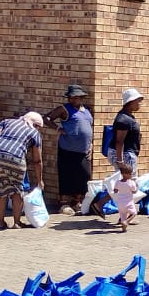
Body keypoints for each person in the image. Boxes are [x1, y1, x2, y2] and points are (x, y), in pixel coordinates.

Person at [0, 111, 44, 230]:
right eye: (38, 126)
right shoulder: (34, 133)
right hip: (15, 159)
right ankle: (16, 223)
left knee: (0, 190)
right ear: (35, 124)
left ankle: (0, 223)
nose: (38, 129)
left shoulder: (7, 122)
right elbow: (37, 160)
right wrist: (39, 180)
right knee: (17, 191)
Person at [45, 84, 93, 216]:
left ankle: (76, 201)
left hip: (83, 150)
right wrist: (58, 129)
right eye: (71, 97)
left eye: (75, 97)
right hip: (68, 148)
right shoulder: (64, 109)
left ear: (81, 97)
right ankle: (63, 203)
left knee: (83, 175)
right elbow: (47, 118)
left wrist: (90, 144)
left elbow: (88, 127)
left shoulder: (86, 110)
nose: (72, 100)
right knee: (67, 175)